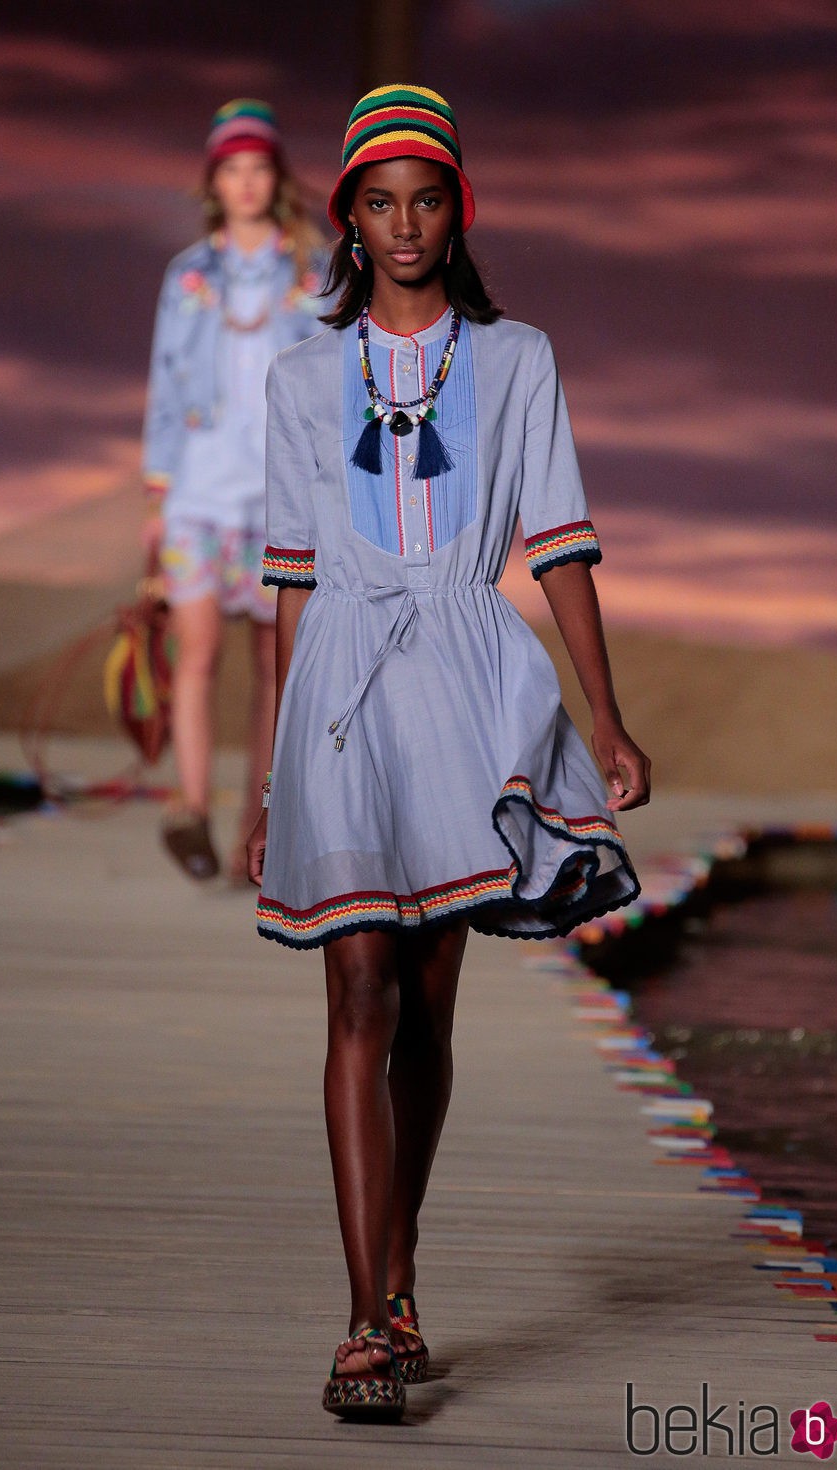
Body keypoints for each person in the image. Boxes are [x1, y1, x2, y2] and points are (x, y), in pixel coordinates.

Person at [247, 84, 651, 1420]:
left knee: (423, 997)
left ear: (453, 210)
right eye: (379, 201)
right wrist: (267, 769)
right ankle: (365, 1317)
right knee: (357, 983)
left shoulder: (518, 356)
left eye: (427, 200)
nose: (405, 224)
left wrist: (604, 714)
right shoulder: (301, 372)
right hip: (343, 693)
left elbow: (561, 544)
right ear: (349, 219)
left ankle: (400, 1256)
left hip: (468, 685)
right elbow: (293, 579)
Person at [142, 99, 326, 881]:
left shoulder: (313, 271)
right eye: (232, 169)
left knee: (272, 663)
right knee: (197, 653)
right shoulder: (186, 276)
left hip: (279, 498)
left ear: (274, 179)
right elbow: (163, 385)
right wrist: (156, 495)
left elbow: (327, 384)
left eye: (258, 168)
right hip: (197, 493)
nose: (246, 183)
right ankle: (189, 811)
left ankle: (259, 826)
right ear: (214, 181)